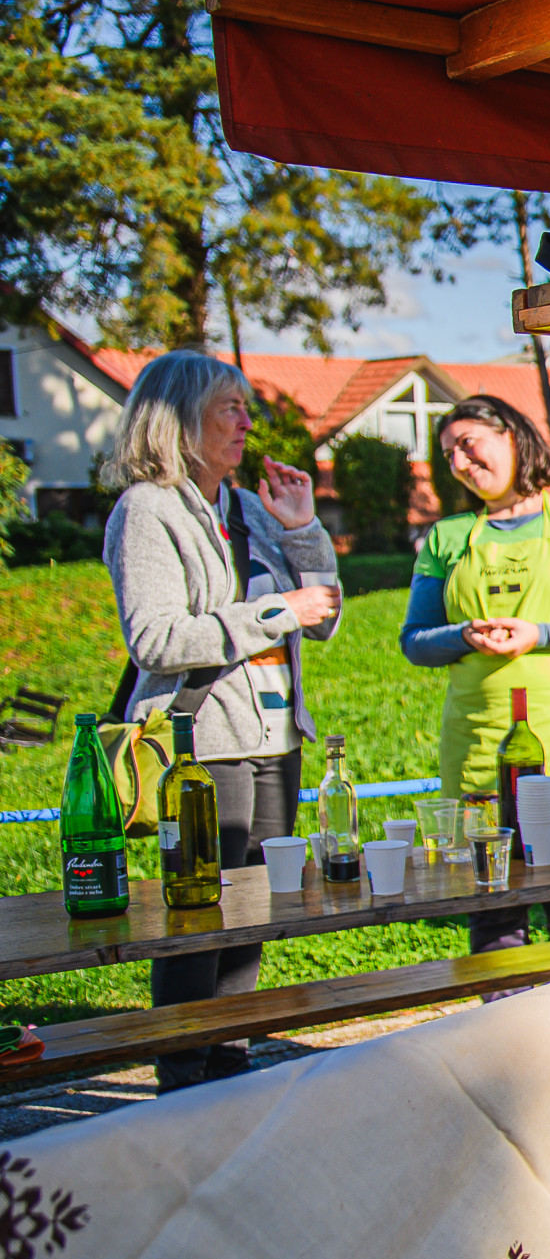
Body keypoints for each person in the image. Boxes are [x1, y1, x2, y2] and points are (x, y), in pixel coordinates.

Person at [102, 352, 343, 1090]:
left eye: (245, 406)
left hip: (275, 737)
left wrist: (302, 532)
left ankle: (232, 1066)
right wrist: (277, 613)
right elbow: (157, 640)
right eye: (229, 408)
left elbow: (323, 619)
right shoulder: (147, 510)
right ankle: (182, 1078)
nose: (246, 421)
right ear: (179, 419)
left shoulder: (242, 507)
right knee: (197, 917)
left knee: (253, 912)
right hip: (200, 741)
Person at [404, 394, 550, 954]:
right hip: (480, 739)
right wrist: (462, 635)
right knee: (491, 903)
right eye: (448, 455)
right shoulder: (447, 537)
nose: (460, 462)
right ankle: (503, 1037)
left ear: (512, 435)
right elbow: (415, 641)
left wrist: (540, 634)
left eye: (468, 444)